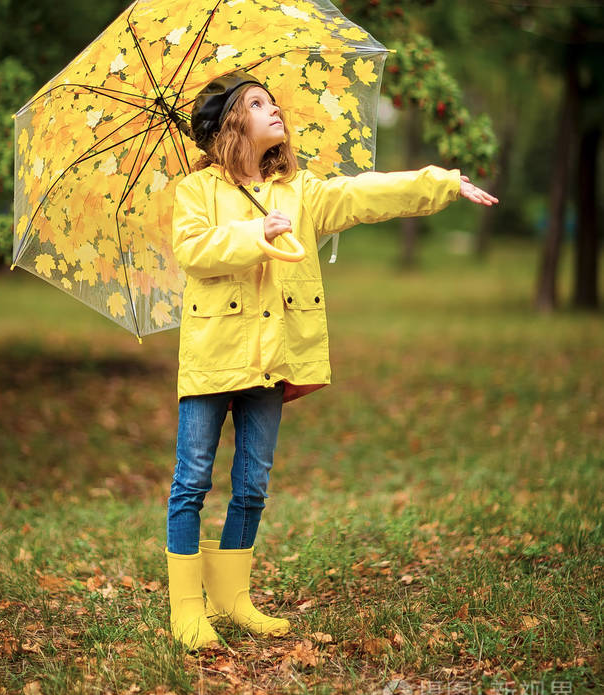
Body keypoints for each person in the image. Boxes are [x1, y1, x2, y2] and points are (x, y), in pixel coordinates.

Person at [165, 70, 498, 651]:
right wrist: (254, 232)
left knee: (253, 482)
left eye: (274, 103)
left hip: (272, 360)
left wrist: (439, 183)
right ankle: (188, 609)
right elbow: (194, 251)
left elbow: (366, 194)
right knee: (193, 480)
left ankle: (233, 598)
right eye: (259, 103)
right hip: (213, 358)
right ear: (231, 124)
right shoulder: (196, 192)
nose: (276, 110)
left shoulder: (300, 191)